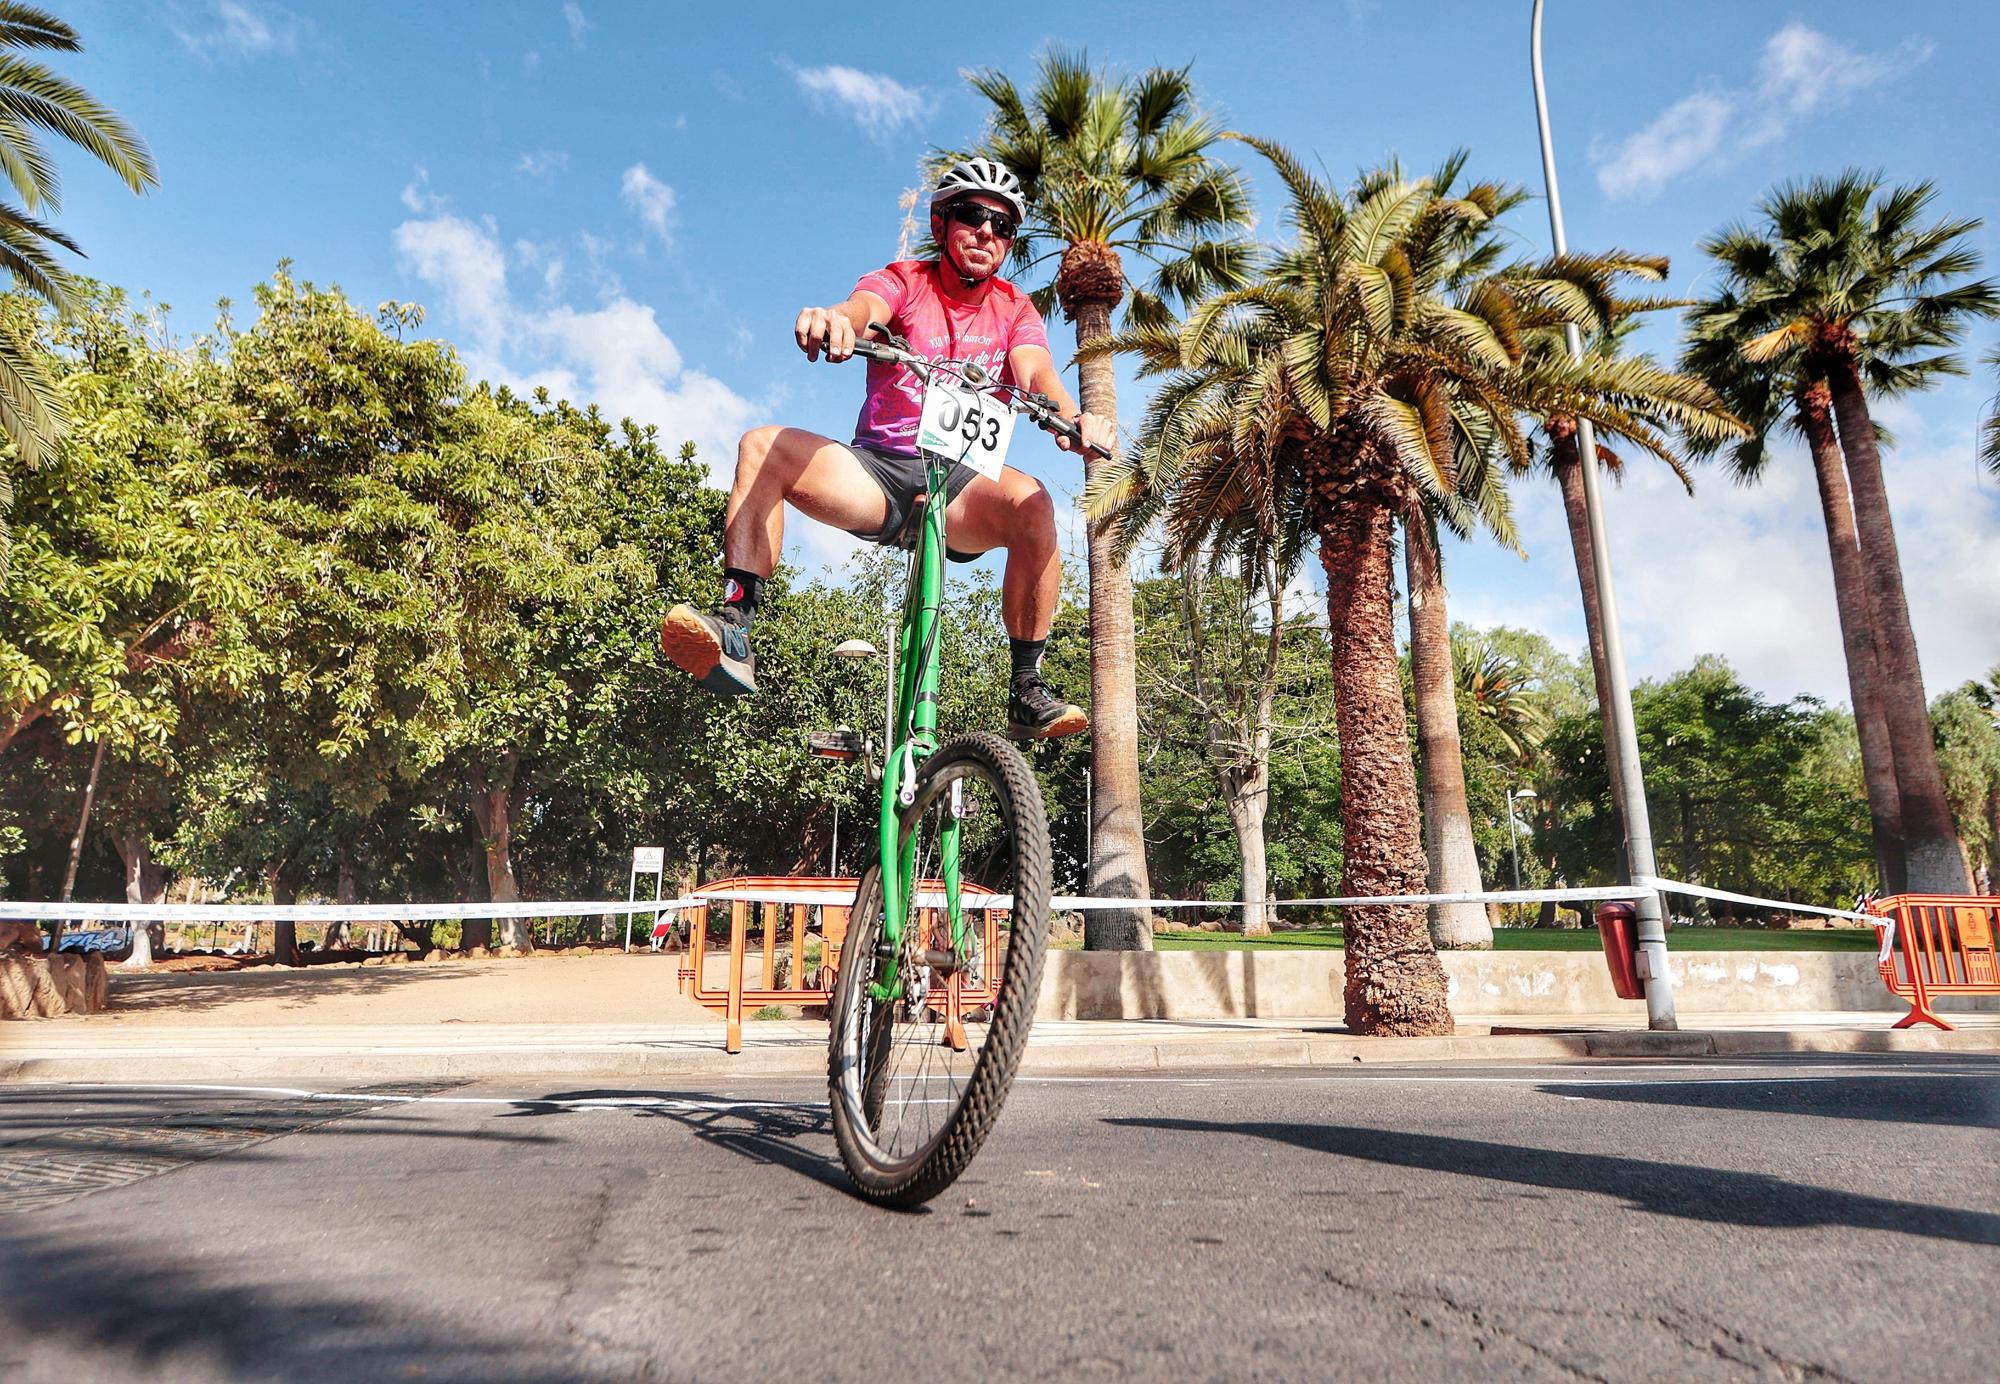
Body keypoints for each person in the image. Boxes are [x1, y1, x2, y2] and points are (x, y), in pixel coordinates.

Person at [659, 158, 1116, 741]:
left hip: (962, 488)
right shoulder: (906, 280)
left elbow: (1037, 371)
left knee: (1035, 504)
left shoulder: (1014, 307)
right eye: (974, 217)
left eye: (1002, 228)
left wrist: (1071, 417)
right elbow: (865, 310)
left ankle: (1027, 688)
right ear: (942, 220)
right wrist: (837, 320)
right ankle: (736, 625)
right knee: (762, 445)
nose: (986, 235)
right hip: (877, 475)